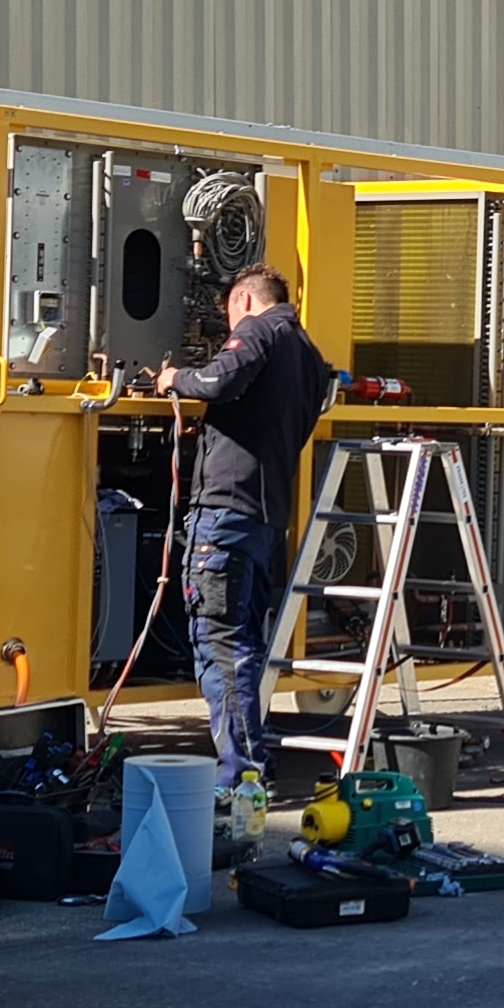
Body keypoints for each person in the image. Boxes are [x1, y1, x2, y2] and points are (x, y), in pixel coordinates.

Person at [154, 264, 333, 791]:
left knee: (220, 642)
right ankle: (252, 762)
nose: (229, 331)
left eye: (229, 317)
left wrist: (174, 381)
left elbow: (221, 379)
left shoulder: (258, 330)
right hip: (263, 516)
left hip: (226, 514)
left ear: (245, 302)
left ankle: (243, 776)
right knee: (244, 641)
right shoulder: (308, 354)